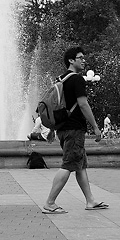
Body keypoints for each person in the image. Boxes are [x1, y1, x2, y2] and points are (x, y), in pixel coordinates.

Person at [43, 47, 108, 214]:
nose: (83, 60)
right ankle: (50, 203)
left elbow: (55, 106)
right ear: (71, 60)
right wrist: (95, 126)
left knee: (80, 165)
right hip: (74, 128)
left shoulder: (61, 79)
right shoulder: (77, 80)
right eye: (80, 58)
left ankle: (90, 200)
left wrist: (52, 128)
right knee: (68, 165)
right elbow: (83, 104)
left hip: (63, 128)